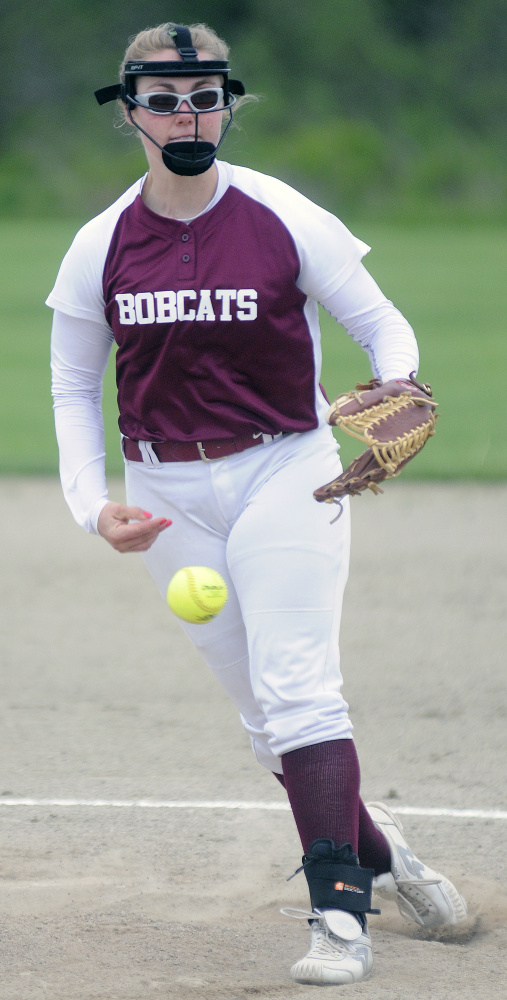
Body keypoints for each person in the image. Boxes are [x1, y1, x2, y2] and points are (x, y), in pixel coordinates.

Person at [47, 21, 467, 987]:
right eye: (162, 99)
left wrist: (399, 383)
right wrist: (90, 507)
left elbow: (378, 322)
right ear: (131, 114)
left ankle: (339, 920)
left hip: (289, 469)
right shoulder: (99, 241)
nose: (185, 114)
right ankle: (380, 852)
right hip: (164, 495)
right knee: (260, 718)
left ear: (228, 104)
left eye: (203, 97)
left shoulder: (280, 212)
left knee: (298, 691)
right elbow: (73, 386)